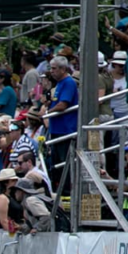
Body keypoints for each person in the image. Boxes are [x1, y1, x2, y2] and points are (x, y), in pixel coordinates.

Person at [45, 56, 78, 192]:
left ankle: (66, 191)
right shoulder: (59, 84)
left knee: (65, 164)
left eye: (54, 68)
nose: (51, 71)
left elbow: (63, 104)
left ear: (63, 69)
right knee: (56, 164)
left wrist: (48, 112)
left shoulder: (68, 83)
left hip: (65, 130)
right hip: (57, 130)